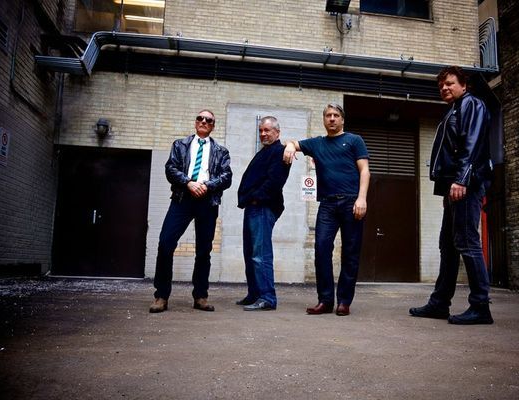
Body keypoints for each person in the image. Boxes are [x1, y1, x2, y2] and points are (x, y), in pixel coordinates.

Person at [409, 66, 494, 325]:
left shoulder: (471, 104)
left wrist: (462, 179)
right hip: (454, 187)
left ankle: (480, 307)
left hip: (465, 184)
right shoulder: (454, 110)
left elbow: (472, 143)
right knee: (448, 245)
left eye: (450, 83)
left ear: (463, 85)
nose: (444, 88)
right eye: (441, 85)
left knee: (467, 242)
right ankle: (439, 303)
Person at [283, 103, 370, 316]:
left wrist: (362, 198)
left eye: (336, 115)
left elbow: (364, 170)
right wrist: (290, 146)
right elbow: (293, 142)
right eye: (328, 115)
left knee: (350, 253)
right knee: (321, 249)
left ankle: (344, 302)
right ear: (324, 120)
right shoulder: (317, 143)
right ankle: (325, 300)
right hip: (327, 205)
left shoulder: (354, 140)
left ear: (342, 119)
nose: (331, 118)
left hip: (351, 202)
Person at [150, 110, 232, 313]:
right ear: (195, 122)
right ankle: (161, 296)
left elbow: (226, 176)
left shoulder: (221, 151)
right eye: (200, 118)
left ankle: (201, 296)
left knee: (204, 250)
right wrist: (188, 182)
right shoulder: (180, 145)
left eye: (208, 120)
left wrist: (207, 185)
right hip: (182, 199)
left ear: (213, 126)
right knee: (165, 243)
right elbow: (171, 169)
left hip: (207, 201)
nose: (204, 121)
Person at [236, 116, 291, 311]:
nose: (263, 134)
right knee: (250, 253)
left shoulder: (279, 151)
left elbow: (275, 181)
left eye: (267, 130)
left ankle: (267, 297)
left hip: (262, 207)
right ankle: (254, 294)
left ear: (277, 132)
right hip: (253, 207)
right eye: (261, 130)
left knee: (260, 254)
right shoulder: (265, 151)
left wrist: (255, 198)